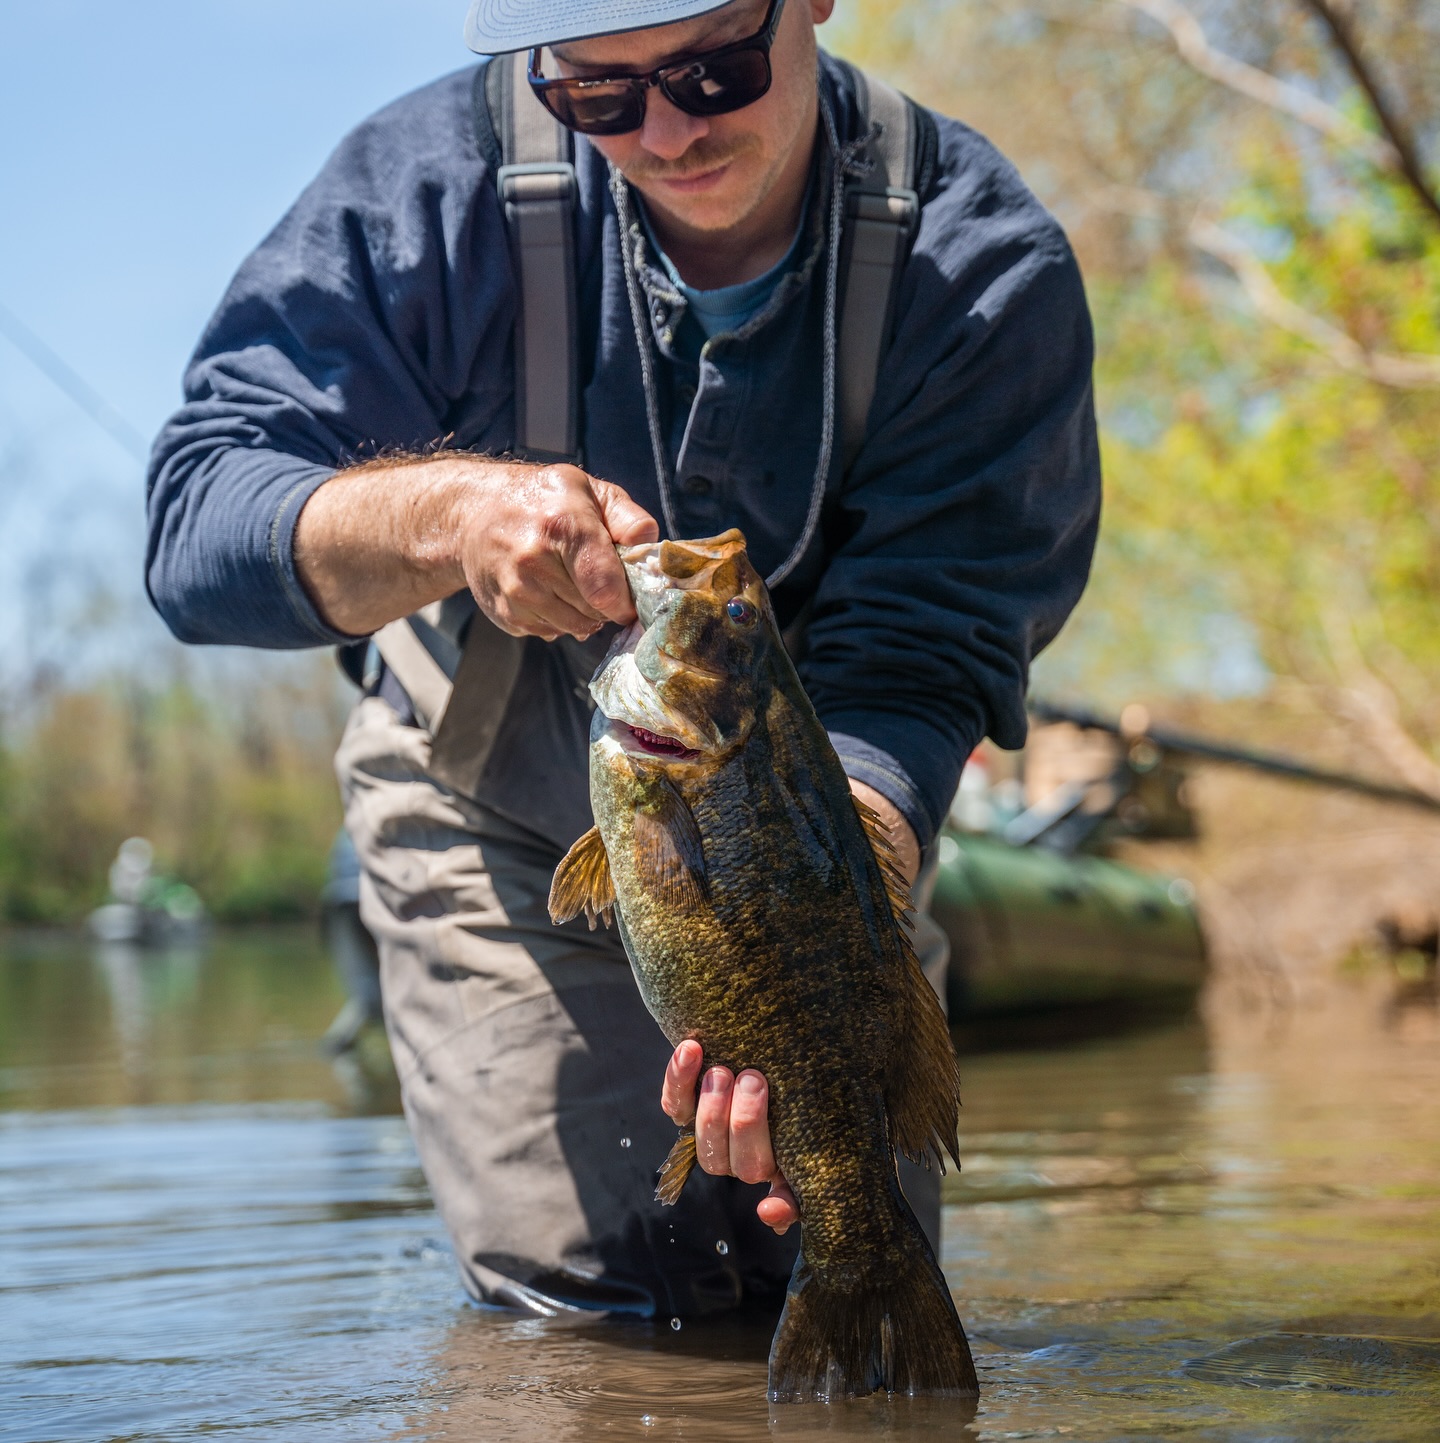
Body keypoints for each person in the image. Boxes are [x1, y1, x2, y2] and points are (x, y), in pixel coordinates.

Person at [146, 0, 1101, 1320]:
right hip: (480, 817)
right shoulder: (427, 192)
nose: (665, 131)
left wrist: (815, 924)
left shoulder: (983, 268)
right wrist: (452, 513)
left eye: (715, 69)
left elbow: (932, 647)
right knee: (593, 1314)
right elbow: (199, 519)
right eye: (599, 96)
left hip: (823, 844)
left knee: (854, 1260)